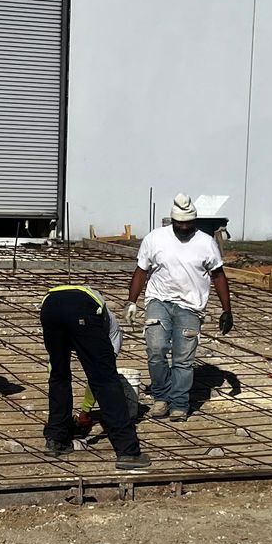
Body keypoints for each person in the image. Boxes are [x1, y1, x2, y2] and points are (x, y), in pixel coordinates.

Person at [125, 194, 234, 421]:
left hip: (191, 307)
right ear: (172, 220)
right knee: (156, 349)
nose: (184, 228)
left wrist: (227, 310)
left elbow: (218, 275)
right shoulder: (155, 239)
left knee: (183, 359)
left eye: (188, 223)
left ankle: (179, 404)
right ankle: (161, 397)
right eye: (179, 223)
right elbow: (141, 270)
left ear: (194, 221)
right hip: (159, 301)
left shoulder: (206, 243)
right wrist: (132, 301)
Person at [39, 284, 150, 472]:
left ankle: (57, 440)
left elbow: (56, 371)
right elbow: (101, 378)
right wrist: (86, 411)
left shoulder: (102, 318)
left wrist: (85, 410)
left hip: (50, 305)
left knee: (59, 375)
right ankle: (128, 451)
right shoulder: (114, 333)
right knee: (107, 380)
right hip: (81, 307)